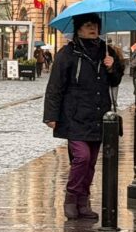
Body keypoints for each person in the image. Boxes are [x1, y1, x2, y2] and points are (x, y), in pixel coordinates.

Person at [43, 13, 124, 220]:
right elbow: (55, 86)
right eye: (88, 25)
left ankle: (83, 202)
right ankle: (71, 198)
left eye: (95, 25)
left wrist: (112, 66)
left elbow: (115, 81)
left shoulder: (106, 52)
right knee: (82, 157)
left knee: (91, 162)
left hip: (99, 115)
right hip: (75, 115)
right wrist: (51, 115)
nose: (93, 29)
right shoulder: (67, 54)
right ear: (78, 29)